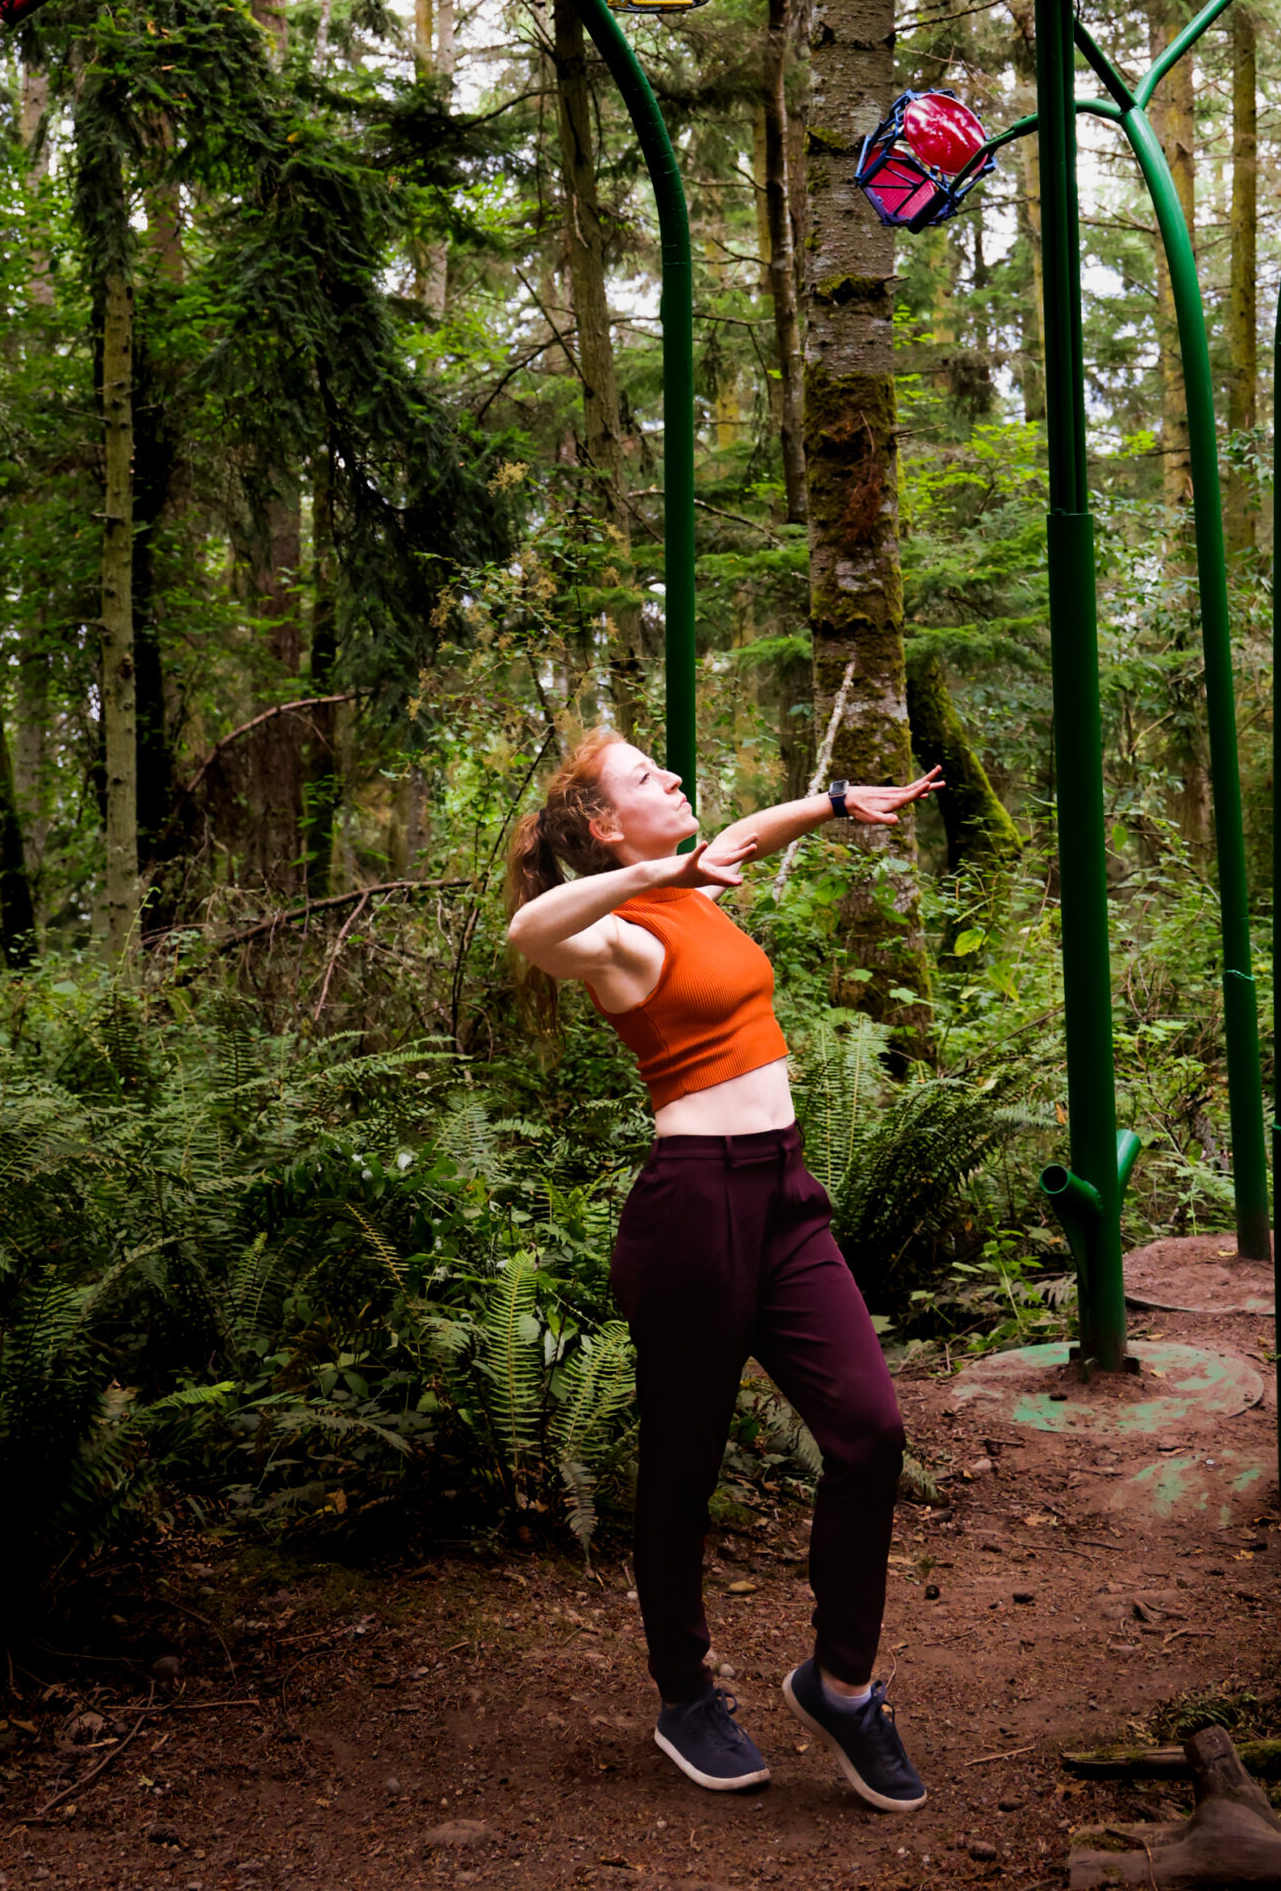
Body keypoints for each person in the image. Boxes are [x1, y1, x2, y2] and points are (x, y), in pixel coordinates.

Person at [505, 729, 942, 1812]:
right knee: (682, 1465)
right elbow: (523, 929)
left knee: (869, 1431)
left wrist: (837, 802)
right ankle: (683, 1690)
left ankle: (840, 1686)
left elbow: (748, 829)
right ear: (606, 827)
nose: (675, 780)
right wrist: (656, 872)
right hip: (692, 1209)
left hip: (785, 1200)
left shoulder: (701, 889)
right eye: (646, 778)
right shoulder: (614, 933)